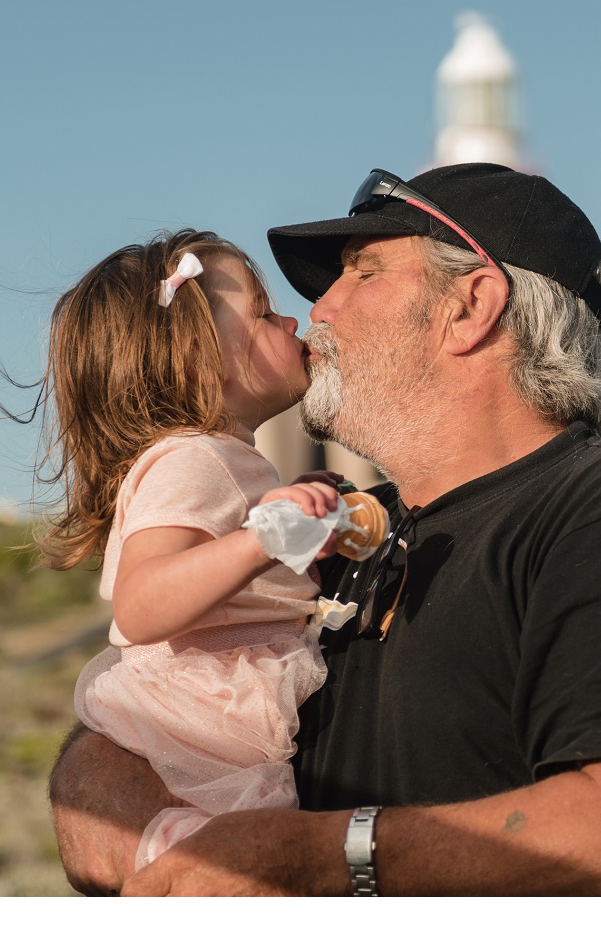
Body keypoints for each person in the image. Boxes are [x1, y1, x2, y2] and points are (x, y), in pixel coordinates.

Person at [49, 164, 601, 896]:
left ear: (471, 305)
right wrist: (188, 846)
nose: (318, 312)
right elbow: (103, 762)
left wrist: (312, 857)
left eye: (361, 273)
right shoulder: (336, 532)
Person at [38, 229, 361, 873]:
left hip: (217, 711)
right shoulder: (193, 458)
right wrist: (264, 540)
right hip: (205, 724)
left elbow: (239, 591)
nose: (294, 318)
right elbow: (141, 602)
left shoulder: (223, 460)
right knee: (247, 863)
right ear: (197, 361)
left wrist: (301, 532)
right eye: (266, 314)